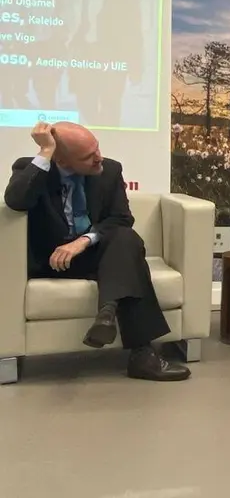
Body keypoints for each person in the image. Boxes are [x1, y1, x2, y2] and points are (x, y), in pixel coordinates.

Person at [3, 121, 190, 382]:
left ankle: (107, 313)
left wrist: (83, 241)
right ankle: (141, 353)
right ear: (62, 160)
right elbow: (15, 201)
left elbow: (121, 219)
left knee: (127, 240)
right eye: (88, 156)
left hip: (96, 256)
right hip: (53, 261)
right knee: (129, 262)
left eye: (97, 148)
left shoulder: (110, 170)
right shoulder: (32, 168)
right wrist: (46, 152)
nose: (98, 157)